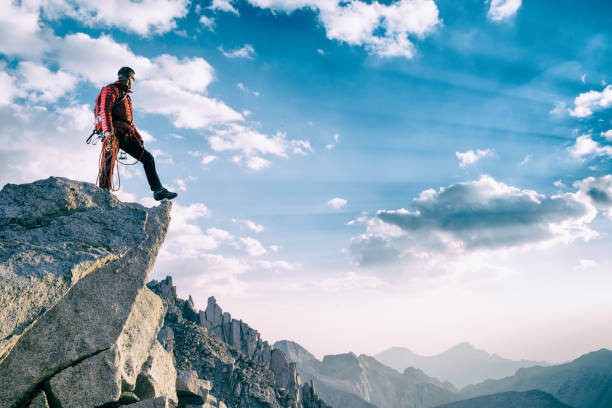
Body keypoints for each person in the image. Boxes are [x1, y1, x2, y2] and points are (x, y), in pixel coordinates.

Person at [96, 66, 177, 201]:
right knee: (108, 162)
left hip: (125, 135)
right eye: (133, 79)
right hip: (113, 133)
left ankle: (158, 191)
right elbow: (105, 110)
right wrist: (108, 132)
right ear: (130, 78)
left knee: (147, 158)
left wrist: (138, 138)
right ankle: (102, 192)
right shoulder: (110, 90)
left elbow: (130, 122)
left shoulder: (126, 96)